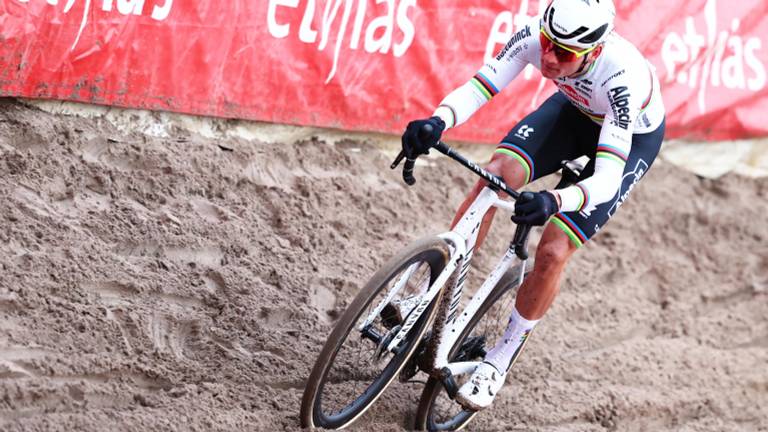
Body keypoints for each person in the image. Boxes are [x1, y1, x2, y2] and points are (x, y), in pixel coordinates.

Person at [400, 0, 666, 411]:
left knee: (554, 249)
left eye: (563, 53)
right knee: (496, 176)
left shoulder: (620, 79)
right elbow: (481, 85)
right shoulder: (538, 35)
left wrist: (554, 199)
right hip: (573, 113)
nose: (548, 57)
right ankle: (429, 296)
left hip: (624, 143)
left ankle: (499, 360)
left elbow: (607, 179)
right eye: (547, 43)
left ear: (594, 51)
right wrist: (437, 121)